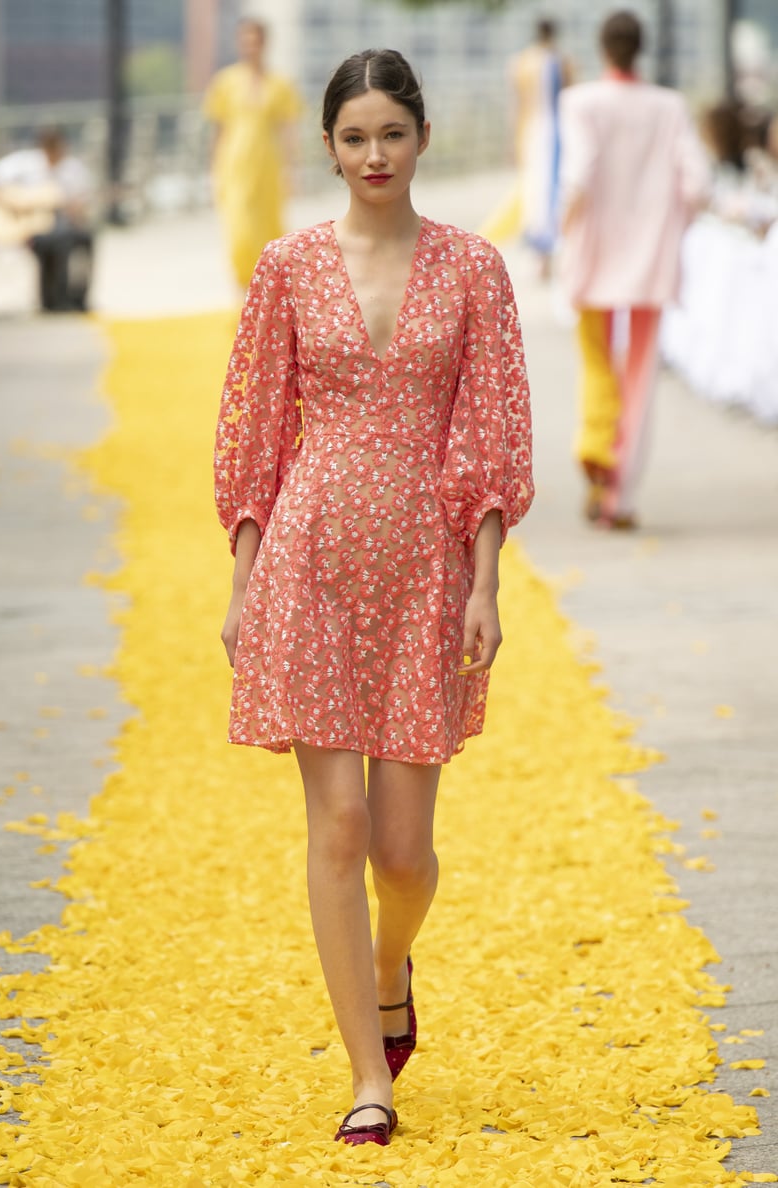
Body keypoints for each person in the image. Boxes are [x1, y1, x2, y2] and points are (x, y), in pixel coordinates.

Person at [214, 49, 534, 1146]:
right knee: (338, 823)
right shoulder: (288, 267)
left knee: (403, 853)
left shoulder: (474, 269)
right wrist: (245, 581)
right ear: (329, 146)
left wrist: (486, 581)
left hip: (425, 571)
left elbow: (491, 430)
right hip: (310, 558)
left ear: (424, 139)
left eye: (391, 134)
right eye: (353, 137)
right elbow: (254, 430)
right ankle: (368, 1072)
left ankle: (394, 961)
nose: (373, 156)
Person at [558, 10, 709, 529]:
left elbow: (578, 174)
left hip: (594, 255)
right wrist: (670, 225)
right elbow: (698, 184)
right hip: (650, 262)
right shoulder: (669, 106)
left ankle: (596, 442)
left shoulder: (579, 102)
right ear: (640, 48)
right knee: (641, 377)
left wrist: (564, 230)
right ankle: (618, 497)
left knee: (596, 360)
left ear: (603, 49)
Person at [203, 17, 303, 290]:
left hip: (268, 166)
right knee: (239, 230)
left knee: (270, 227)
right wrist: (212, 172)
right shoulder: (225, 81)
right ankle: (242, 292)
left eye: (255, 41)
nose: (251, 47)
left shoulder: (280, 84)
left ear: (265, 43)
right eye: (245, 41)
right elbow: (218, 129)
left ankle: (270, 291)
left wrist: (291, 170)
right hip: (233, 165)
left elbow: (288, 130)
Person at [0, 128, 94, 312]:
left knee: (82, 237)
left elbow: (80, 203)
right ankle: (54, 300)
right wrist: (15, 201)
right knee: (59, 239)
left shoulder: (73, 169)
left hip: (57, 223)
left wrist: (73, 210)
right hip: (28, 228)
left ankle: (75, 298)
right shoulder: (24, 163)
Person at [507, 17, 572, 277]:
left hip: (531, 130)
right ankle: (546, 252)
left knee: (535, 192)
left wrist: (512, 140)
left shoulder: (521, 62)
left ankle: (540, 254)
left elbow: (516, 105)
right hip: (555, 130)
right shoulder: (562, 61)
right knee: (550, 192)